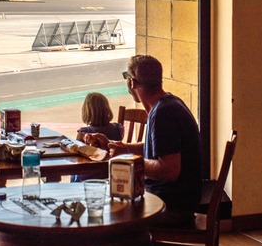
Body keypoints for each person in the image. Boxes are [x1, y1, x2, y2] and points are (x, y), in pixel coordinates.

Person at [84, 55, 201, 228]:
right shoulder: (171, 103)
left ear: (132, 83)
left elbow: (169, 171)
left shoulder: (162, 114)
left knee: (101, 210)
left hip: (170, 207)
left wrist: (128, 157)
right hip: (182, 201)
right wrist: (116, 145)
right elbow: (161, 150)